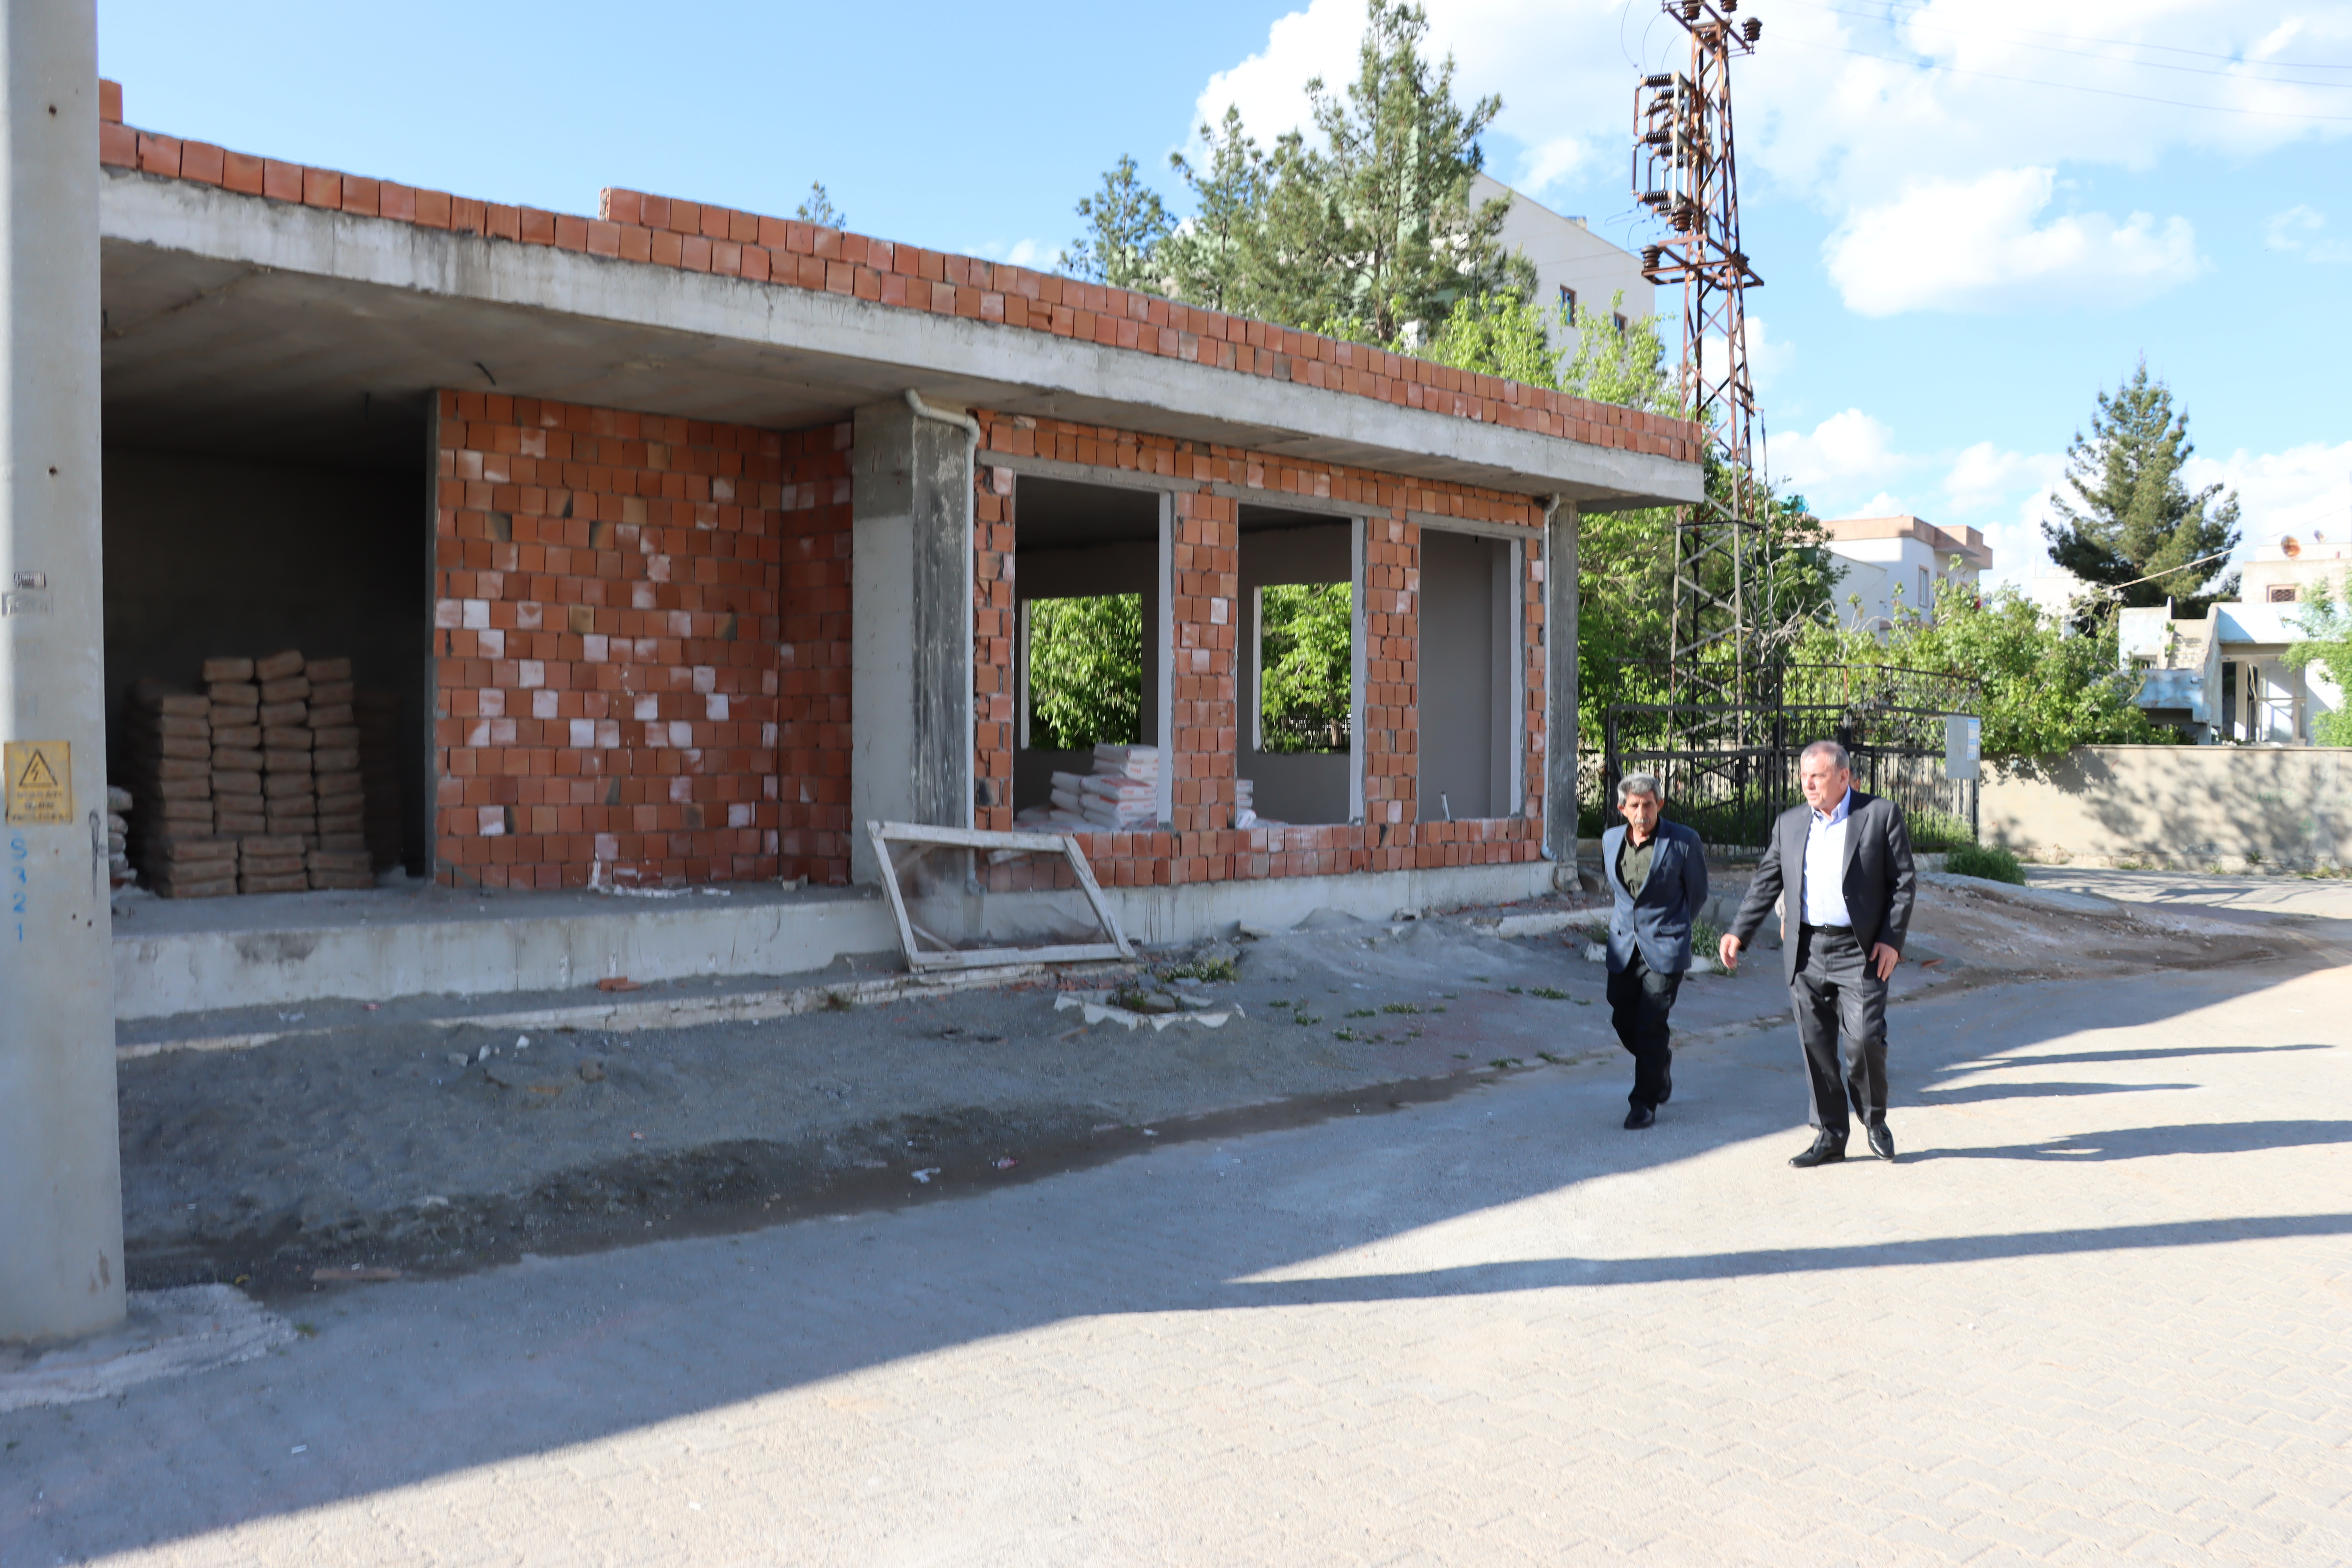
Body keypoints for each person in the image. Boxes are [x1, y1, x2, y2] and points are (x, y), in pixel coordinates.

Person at [1718, 740, 1915, 1167]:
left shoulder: (1879, 815)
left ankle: (1873, 1117)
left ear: (1843, 777)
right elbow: (1767, 882)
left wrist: (1891, 940)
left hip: (1859, 949)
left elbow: (1903, 882)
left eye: (1818, 776)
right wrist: (1739, 932)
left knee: (1863, 1039)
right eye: (1804, 776)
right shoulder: (1790, 824)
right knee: (1816, 1045)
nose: (1808, 785)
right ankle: (1830, 1136)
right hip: (1805, 947)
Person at [1599, 772, 1707, 1130]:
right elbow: (1620, 894)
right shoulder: (1611, 840)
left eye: (1649, 804)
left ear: (1660, 804)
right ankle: (1659, 1062)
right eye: (1635, 805)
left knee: (1650, 1023)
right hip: (1623, 946)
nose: (1642, 811)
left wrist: (1672, 927)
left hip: (1665, 946)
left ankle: (1644, 1102)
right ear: (1622, 809)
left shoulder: (1684, 841)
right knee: (1622, 1017)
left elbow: (1697, 894)